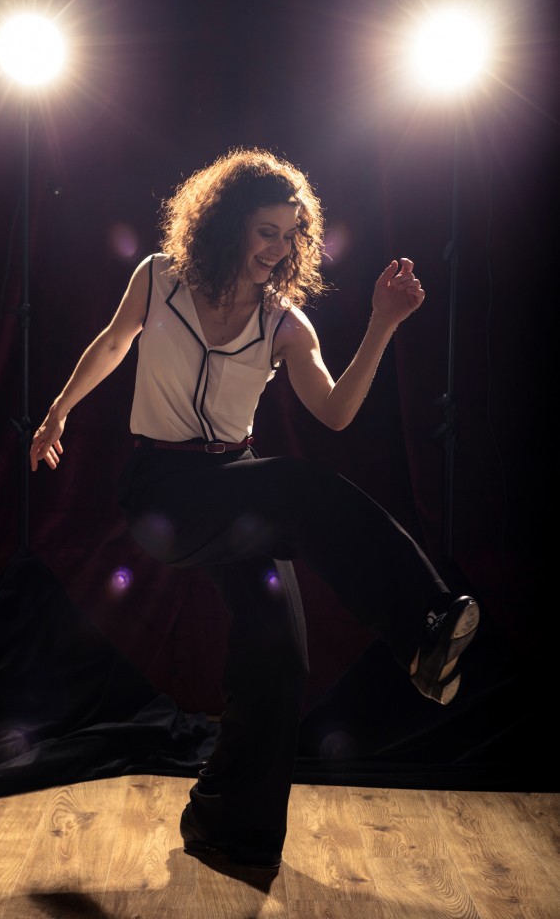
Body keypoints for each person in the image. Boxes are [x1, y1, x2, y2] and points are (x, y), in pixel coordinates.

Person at [30, 147, 479, 870]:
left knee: (281, 661)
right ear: (228, 223)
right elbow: (113, 344)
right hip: (163, 491)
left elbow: (334, 412)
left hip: (235, 488)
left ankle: (226, 827)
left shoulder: (284, 323)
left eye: (291, 234)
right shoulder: (159, 278)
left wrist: (382, 324)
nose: (279, 247)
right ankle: (423, 625)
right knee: (300, 489)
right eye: (267, 231)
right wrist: (58, 412)